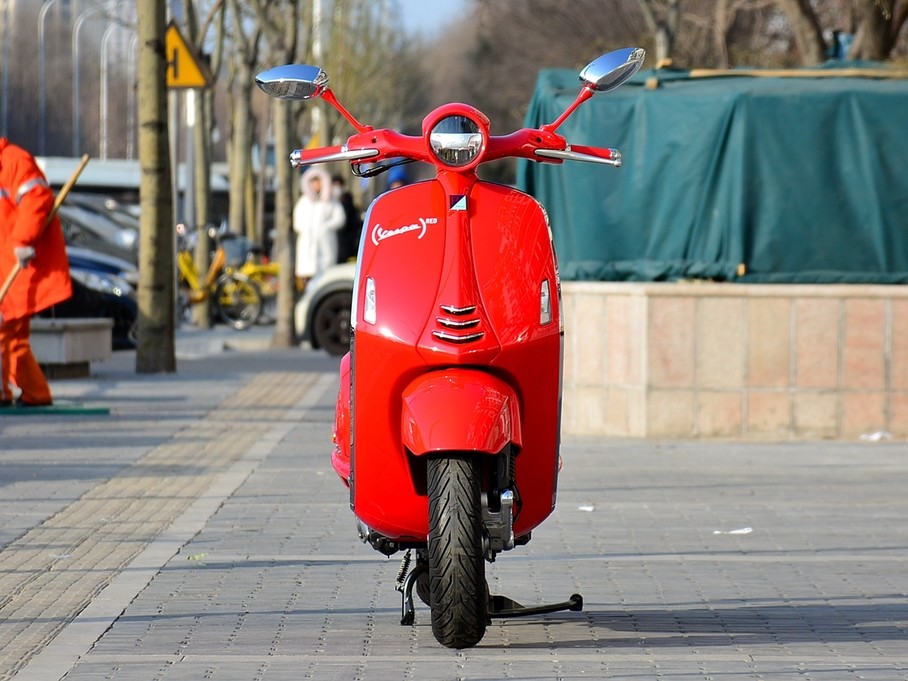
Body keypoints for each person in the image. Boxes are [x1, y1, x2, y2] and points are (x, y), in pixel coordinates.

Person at [0, 137, 72, 407]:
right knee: (13, 338)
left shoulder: (14, 161)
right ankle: (35, 393)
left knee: (6, 332)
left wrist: (22, 241)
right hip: (7, 265)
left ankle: (8, 394)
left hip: (16, 267)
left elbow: (36, 200)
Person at [292, 167, 345, 293]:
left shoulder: (330, 201)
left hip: (325, 247)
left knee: (324, 280)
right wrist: (307, 229)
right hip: (307, 250)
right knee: (308, 282)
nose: (316, 185)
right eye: (313, 182)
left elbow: (340, 218)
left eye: (319, 181)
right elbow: (297, 223)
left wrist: (326, 227)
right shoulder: (304, 202)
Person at [331, 174, 363, 263]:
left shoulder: (348, 203)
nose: (336, 188)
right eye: (334, 185)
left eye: (338, 185)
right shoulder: (329, 203)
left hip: (347, 245)